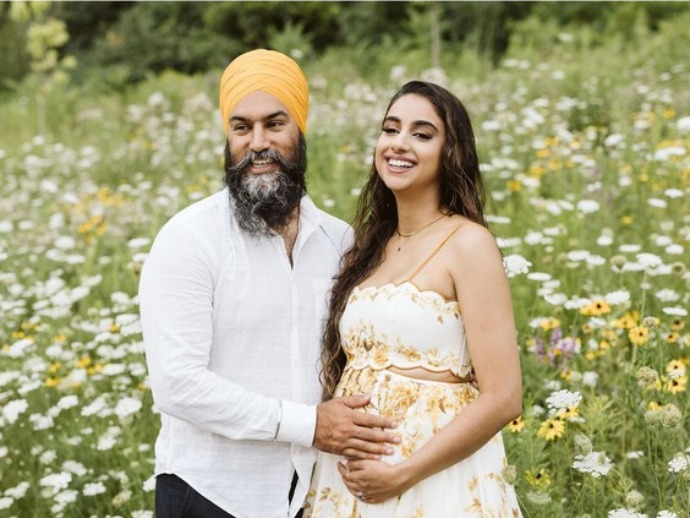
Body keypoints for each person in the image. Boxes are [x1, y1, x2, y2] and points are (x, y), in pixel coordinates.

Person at [139, 49, 398, 518]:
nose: (257, 142)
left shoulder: (339, 240)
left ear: (300, 130)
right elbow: (177, 384)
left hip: (311, 494)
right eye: (241, 127)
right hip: (209, 493)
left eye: (274, 124)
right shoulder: (189, 238)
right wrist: (308, 426)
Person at [306, 81, 523, 517]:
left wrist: (404, 473)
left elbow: (504, 397)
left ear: (451, 153)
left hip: (434, 481)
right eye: (391, 129)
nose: (399, 144)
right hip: (347, 482)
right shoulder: (367, 247)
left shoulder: (468, 244)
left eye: (422, 134)